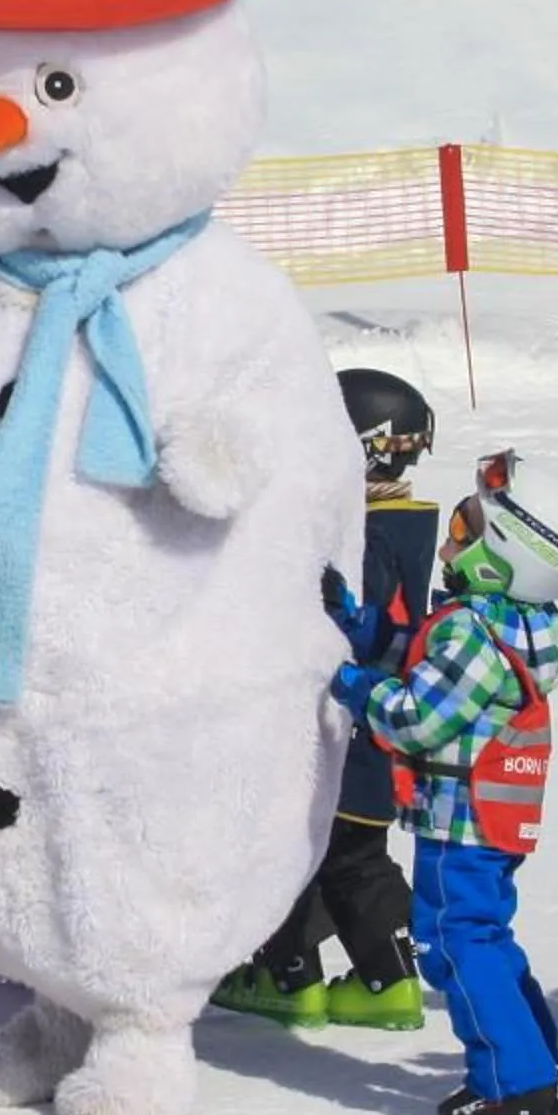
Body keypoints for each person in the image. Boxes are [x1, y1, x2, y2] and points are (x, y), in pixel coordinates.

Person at [330, 450, 558, 1115]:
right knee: (486, 938)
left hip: (460, 823)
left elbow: (417, 718)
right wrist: (365, 630)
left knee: (453, 945)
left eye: (464, 526)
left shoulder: (473, 631)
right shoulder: (517, 626)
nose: (450, 539)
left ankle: (512, 1083)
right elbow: (425, 658)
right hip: (488, 823)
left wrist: (356, 688)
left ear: (504, 553)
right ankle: (534, 1068)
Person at [215, 367, 439, 1029]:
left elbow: (344, 625)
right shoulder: (405, 524)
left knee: (293, 850)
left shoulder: (362, 536)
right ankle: (387, 979)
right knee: (352, 857)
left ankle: (289, 976)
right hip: (373, 730)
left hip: (343, 725)